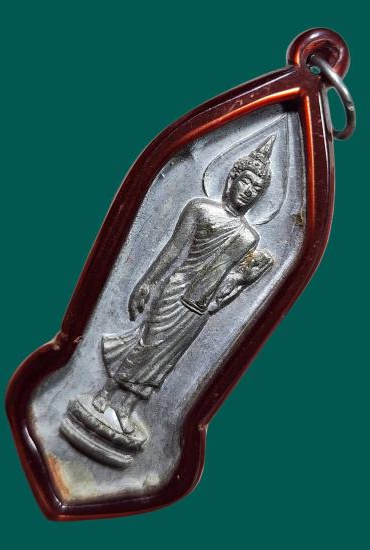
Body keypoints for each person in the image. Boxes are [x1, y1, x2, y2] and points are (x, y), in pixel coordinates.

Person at [92, 137, 276, 433]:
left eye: (256, 189)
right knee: (149, 344)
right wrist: (147, 282)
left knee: (166, 359)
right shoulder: (200, 209)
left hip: (200, 305)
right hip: (177, 289)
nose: (248, 192)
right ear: (232, 179)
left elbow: (230, 279)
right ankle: (105, 392)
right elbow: (174, 249)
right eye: (246, 182)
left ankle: (127, 407)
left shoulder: (248, 237)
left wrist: (240, 282)